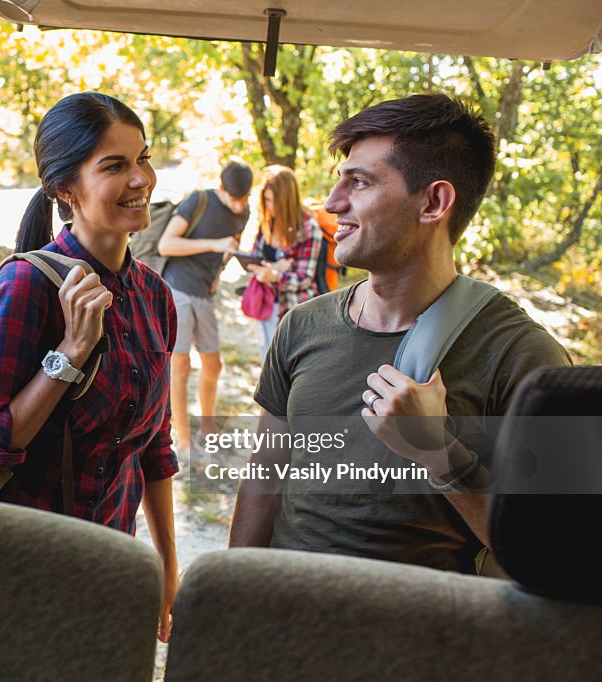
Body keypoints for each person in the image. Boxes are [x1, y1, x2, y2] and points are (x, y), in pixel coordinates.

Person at [228, 93, 571, 572]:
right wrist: (231, 599)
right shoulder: (302, 325)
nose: (332, 203)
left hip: (422, 639)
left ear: (433, 202)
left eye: (360, 182)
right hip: (286, 625)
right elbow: (266, 477)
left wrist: (436, 449)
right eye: (339, 180)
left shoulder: (524, 357)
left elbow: (550, 548)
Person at [0, 92, 180, 641]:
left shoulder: (154, 295)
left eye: (143, 158)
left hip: (111, 569)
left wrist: (166, 572)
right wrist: (71, 353)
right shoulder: (26, 285)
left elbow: (154, 448)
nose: (141, 179)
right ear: (65, 189)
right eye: (114, 166)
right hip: (21, 575)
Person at [156, 160, 253, 451]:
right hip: (178, 288)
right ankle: (183, 438)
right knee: (181, 366)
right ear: (222, 189)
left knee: (213, 364)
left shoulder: (243, 213)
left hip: (205, 294)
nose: (239, 205)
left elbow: (229, 248)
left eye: (245, 199)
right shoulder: (198, 201)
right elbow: (166, 245)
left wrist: (220, 272)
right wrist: (214, 244)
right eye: (235, 198)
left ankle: (208, 426)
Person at [247, 165, 324, 361]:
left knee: (290, 365)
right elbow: (256, 255)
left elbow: (304, 278)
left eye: (271, 201)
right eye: (265, 200)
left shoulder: (308, 228)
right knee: (267, 361)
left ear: (285, 200)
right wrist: (272, 268)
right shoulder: (268, 222)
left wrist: (274, 276)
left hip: (294, 310)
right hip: (266, 304)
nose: (268, 206)